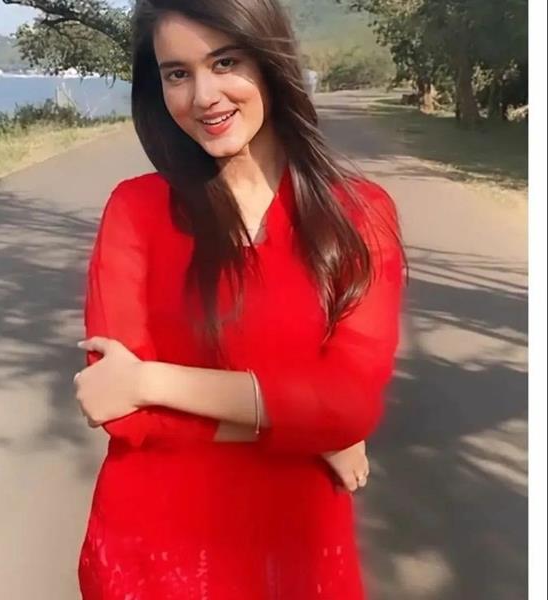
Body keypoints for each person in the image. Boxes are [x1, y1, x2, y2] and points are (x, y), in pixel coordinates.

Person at [74, 1, 405, 598]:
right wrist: (315, 427)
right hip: (152, 553)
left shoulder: (359, 217)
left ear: (270, 61)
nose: (204, 96)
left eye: (225, 62)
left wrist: (150, 380)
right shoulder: (136, 210)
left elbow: (350, 402)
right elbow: (118, 409)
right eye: (178, 73)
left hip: (297, 549)